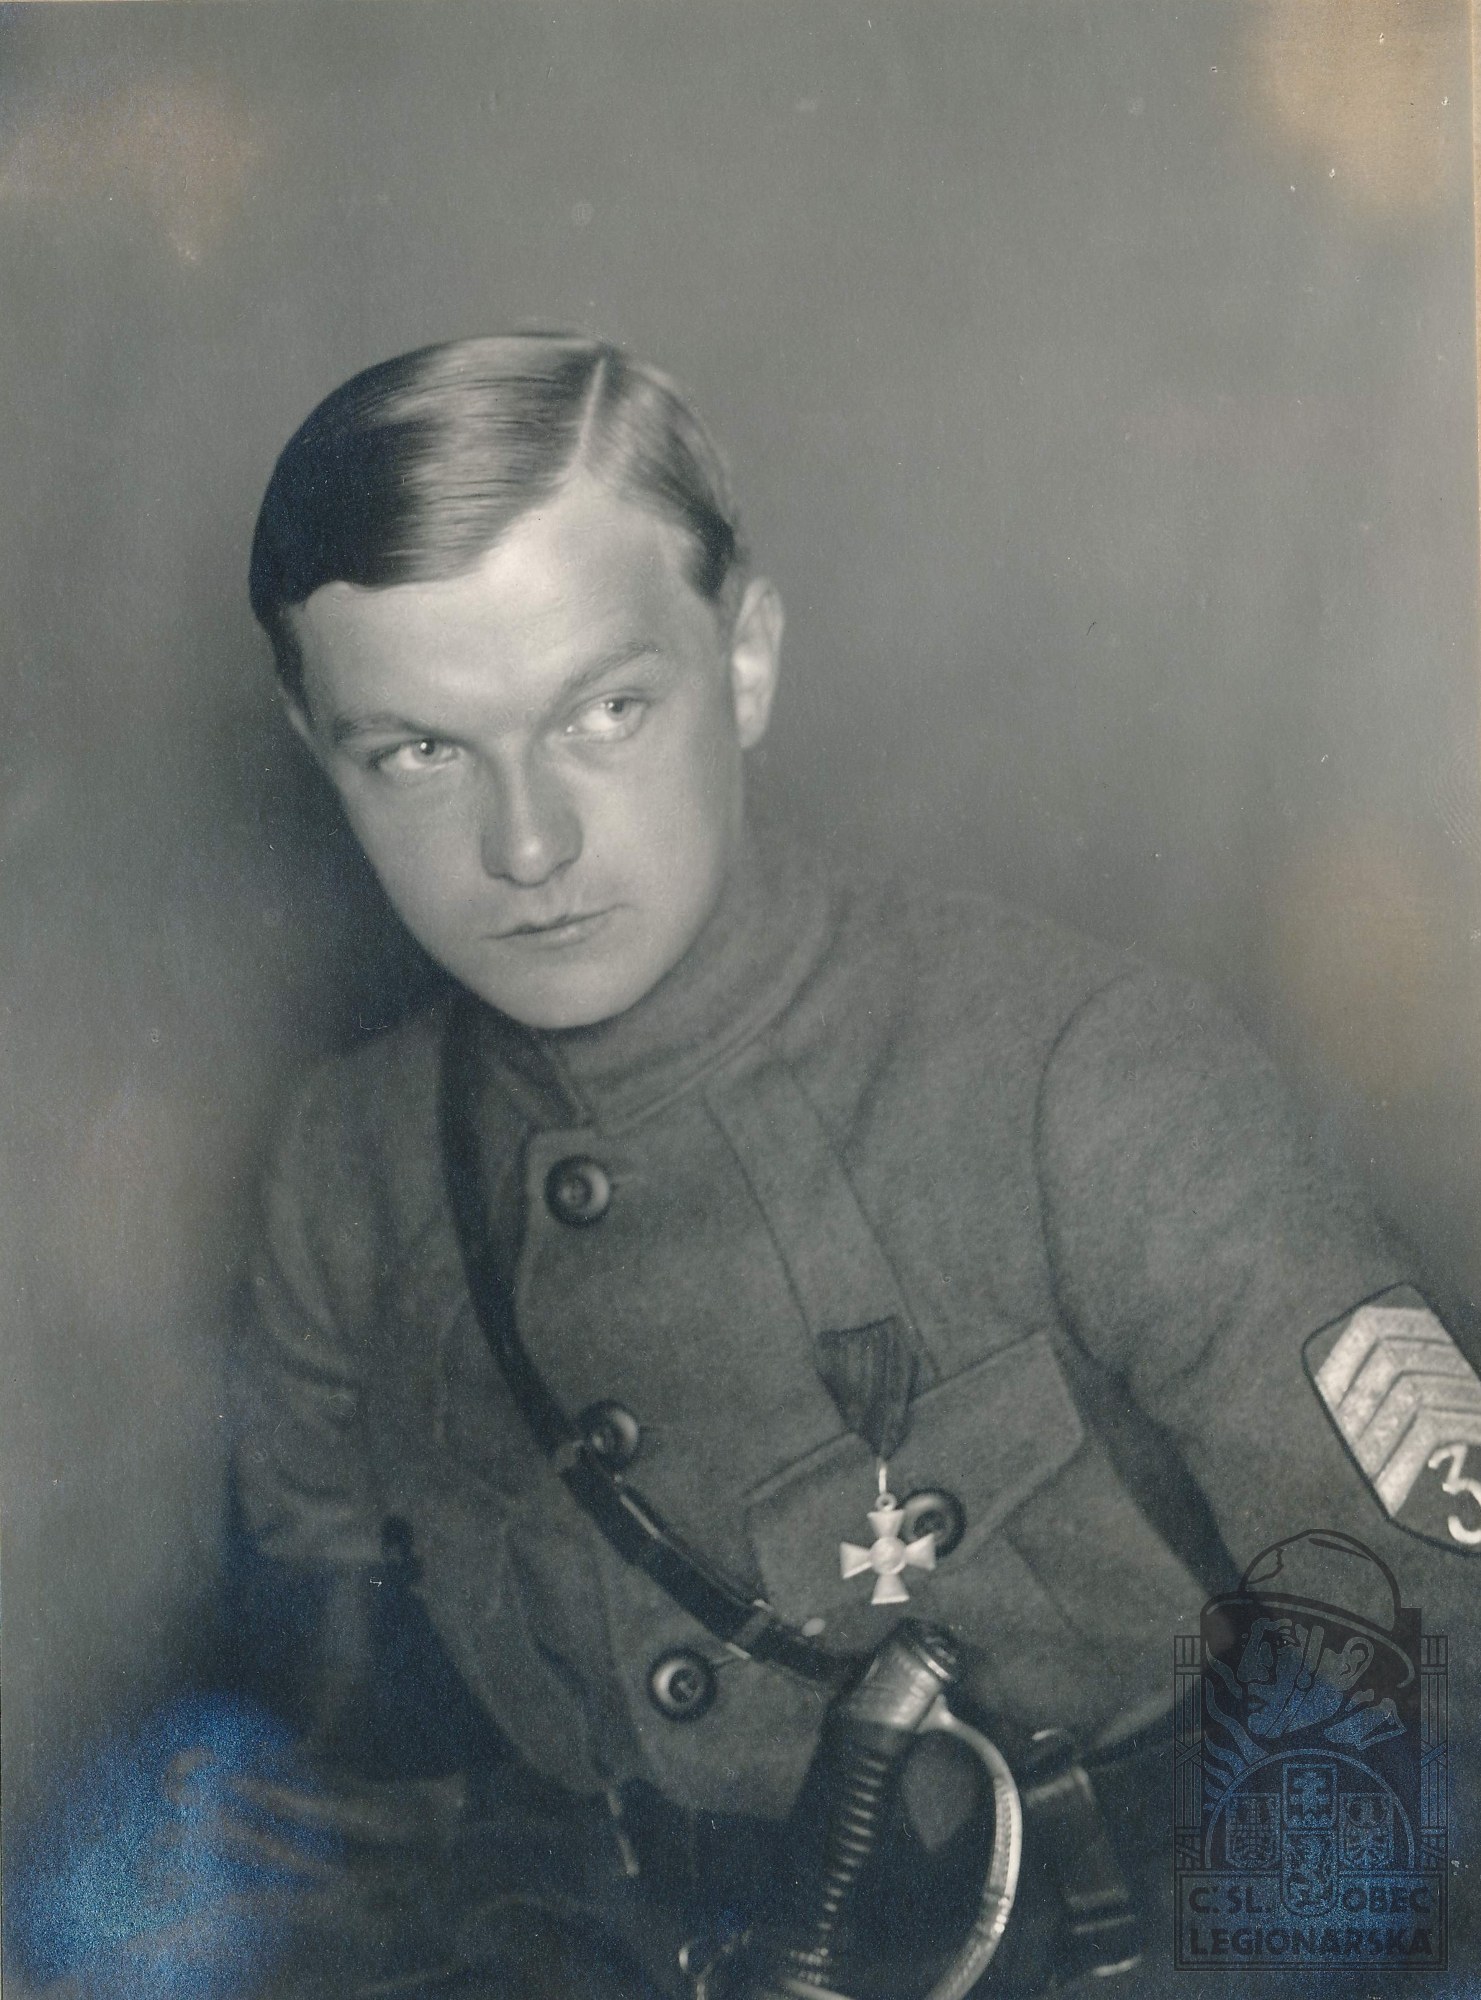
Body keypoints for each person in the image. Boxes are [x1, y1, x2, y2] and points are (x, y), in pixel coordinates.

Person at [86, 334, 1481, 2000]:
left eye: (605, 712)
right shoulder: (352, 1167)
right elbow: (330, 1726)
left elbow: (1438, 1657)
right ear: (317, 749)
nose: (525, 846)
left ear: (743, 661)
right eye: (419, 753)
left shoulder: (1078, 1079)